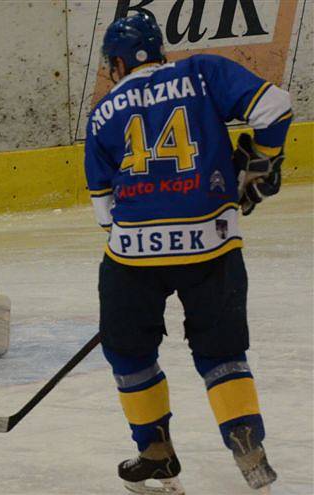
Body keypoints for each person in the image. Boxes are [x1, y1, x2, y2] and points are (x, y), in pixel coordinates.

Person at [84, 12, 291, 495]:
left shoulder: (104, 111)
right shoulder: (202, 72)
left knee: (129, 353)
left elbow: (103, 212)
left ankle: (156, 453)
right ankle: (247, 442)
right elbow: (274, 108)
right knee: (222, 353)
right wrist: (260, 163)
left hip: (134, 256)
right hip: (212, 243)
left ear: (117, 62)